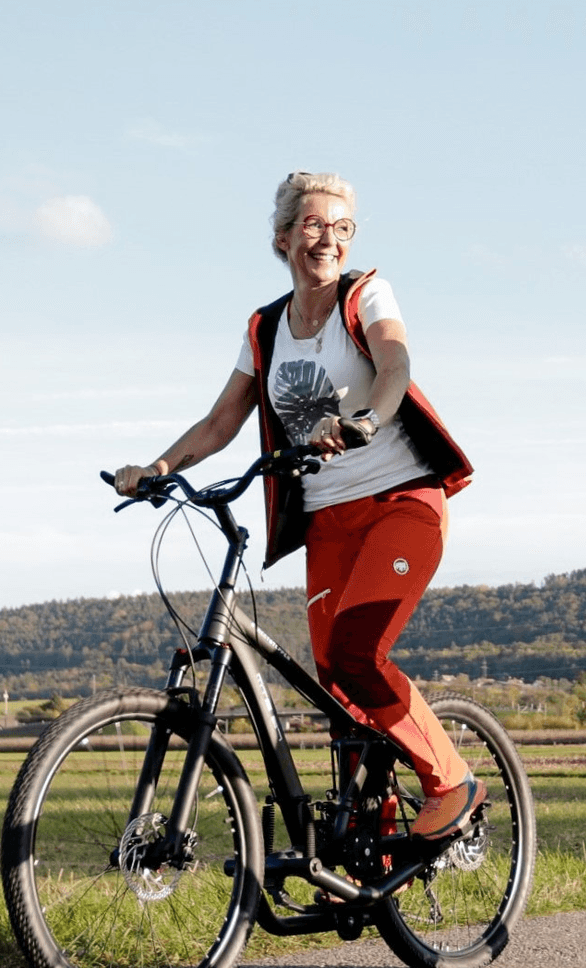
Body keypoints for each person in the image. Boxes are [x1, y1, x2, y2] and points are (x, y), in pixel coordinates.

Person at [114, 171, 485, 841]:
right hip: (329, 521)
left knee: (355, 649)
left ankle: (450, 778)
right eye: (314, 225)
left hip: (401, 503)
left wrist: (367, 418)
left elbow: (395, 362)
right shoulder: (265, 328)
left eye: (342, 226)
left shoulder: (367, 294)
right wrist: (158, 469)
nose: (329, 238)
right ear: (283, 237)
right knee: (336, 689)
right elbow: (222, 419)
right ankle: (371, 842)